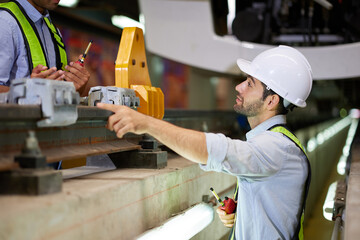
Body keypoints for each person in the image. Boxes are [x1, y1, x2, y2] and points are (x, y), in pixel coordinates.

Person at [97, 45, 313, 240]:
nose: (239, 87)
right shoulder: (271, 143)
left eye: (249, 83)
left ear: (271, 100)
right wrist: (243, 211)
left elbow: (214, 149)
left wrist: (147, 124)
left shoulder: (277, 148)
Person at [0, 0, 90, 94]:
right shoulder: (4, 21)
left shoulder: (52, 30)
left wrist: (74, 89)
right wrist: (28, 92)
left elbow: (53, 95)